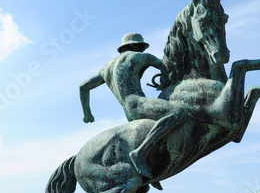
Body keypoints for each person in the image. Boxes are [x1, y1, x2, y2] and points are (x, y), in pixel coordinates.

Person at [80, 33, 189, 183]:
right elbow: (169, 68)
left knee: (163, 130)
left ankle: (152, 170)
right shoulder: (140, 57)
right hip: (138, 103)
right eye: (140, 47)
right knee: (178, 113)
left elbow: (83, 87)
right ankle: (140, 153)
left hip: (128, 113)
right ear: (132, 46)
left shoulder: (106, 68)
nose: (142, 50)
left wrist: (87, 114)